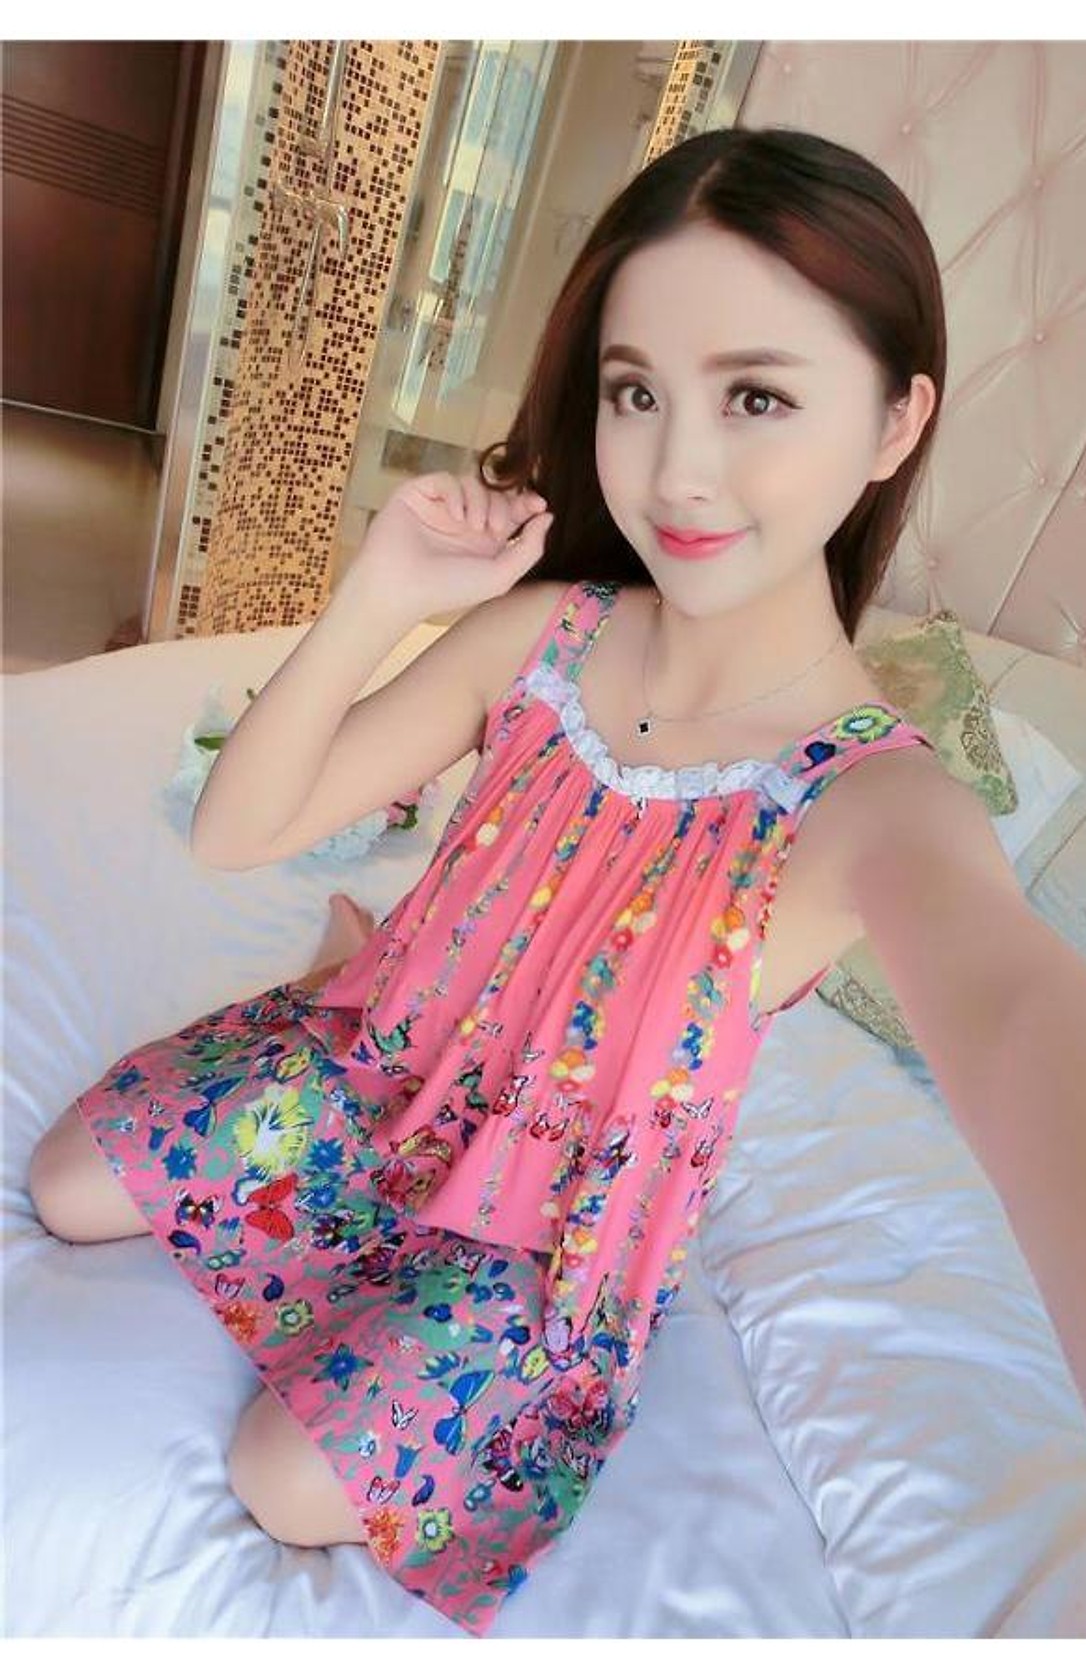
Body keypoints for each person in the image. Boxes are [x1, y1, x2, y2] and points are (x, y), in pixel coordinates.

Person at [28, 125, 950, 1634]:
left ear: (896, 420)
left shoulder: (876, 797)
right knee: (68, 1190)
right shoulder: (551, 635)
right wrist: (382, 592)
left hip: (543, 1230)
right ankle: (350, 977)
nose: (678, 469)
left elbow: (1033, 1022)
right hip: (382, 1077)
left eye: (758, 397)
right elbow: (234, 833)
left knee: (286, 1479)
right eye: (635, 392)